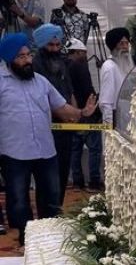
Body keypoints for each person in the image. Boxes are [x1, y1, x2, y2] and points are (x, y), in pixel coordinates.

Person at [0, 33, 96, 245]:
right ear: (9, 59)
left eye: (28, 55)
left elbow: (62, 108)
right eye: (21, 57)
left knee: (51, 197)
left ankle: (49, 239)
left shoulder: (41, 82)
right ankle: (27, 240)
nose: (27, 60)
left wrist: (82, 113)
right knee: (18, 200)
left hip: (45, 150)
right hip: (14, 152)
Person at [32, 23, 76, 205]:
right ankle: (47, 214)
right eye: (51, 45)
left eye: (58, 45)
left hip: (65, 126)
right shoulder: (35, 65)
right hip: (46, 128)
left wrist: (74, 113)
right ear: (42, 45)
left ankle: (57, 209)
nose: (55, 49)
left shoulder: (62, 62)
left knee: (63, 170)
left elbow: (69, 90)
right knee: (47, 176)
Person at [67, 39, 103, 190]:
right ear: (76, 52)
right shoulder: (80, 66)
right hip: (86, 112)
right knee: (94, 149)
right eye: (83, 53)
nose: (85, 55)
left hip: (70, 112)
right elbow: (88, 88)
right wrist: (95, 107)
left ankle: (77, 182)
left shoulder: (63, 66)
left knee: (75, 150)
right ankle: (94, 182)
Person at [99, 28, 133, 126]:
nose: (125, 47)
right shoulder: (109, 67)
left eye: (127, 43)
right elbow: (105, 102)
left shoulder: (126, 65)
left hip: (127, 116)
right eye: (121, 43)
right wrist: (108, 126)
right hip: (115, 118)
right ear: (114, 46)